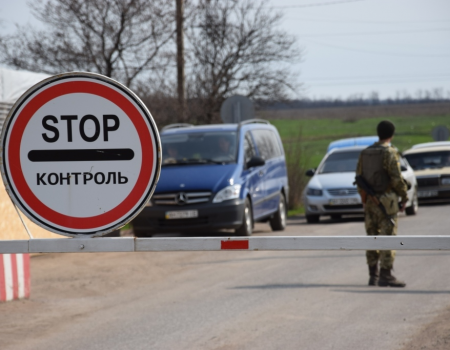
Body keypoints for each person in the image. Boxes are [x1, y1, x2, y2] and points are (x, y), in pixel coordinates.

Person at [355, 120, 408, 287]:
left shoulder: (365, 153)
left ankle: (373, 275)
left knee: (372, 237)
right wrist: (404, 197)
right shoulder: (390, 153)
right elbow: (397, 179)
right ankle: (385, 275)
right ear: (391, 135)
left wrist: (365, 199)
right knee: (388, 237)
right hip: (387, 203)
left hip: (370, 203)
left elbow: (359, 177)